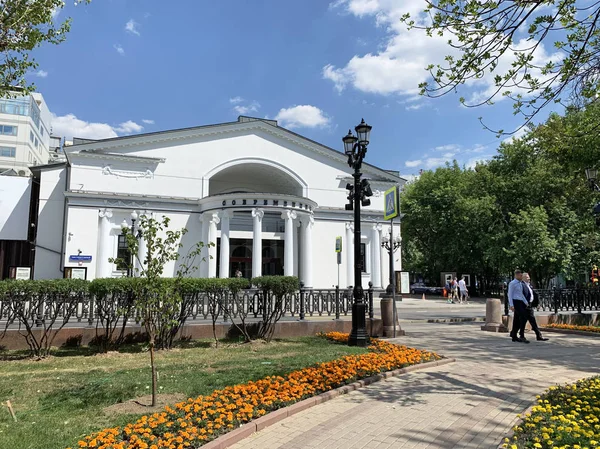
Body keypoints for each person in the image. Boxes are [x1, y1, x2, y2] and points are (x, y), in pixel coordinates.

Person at [523, 273, 549, 341]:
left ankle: (538, 335)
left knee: (531, 321)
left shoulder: (529, 286)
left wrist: (537, 304)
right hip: (524, 306)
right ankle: (518, 335)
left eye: (529, 277)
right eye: (527, 277)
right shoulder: (522, 285)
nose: (529, 278)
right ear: (523, 278)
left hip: (530, 306)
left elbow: (534, 295)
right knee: (522, 322)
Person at [508, 269, 530, 343]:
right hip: (516, 302)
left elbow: (520, 294)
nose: (521, 277)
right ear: (517, 275)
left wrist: (526, 302)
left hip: (521, 302)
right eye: (520, 275)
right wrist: (511, 305)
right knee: (523, 317)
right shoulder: (512, 283)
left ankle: (514, 336)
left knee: (517, 320)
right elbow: (510, 294)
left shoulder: (520, 283)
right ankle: (522, 335)